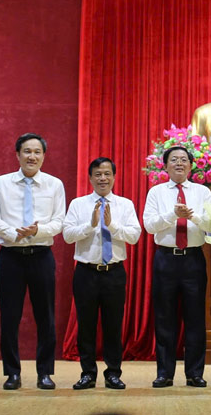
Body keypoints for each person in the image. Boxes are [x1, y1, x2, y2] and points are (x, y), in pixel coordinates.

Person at [0, 133, 66, 390]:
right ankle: (12, 373)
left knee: (46, 317)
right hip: (10, 256)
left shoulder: (54, 185)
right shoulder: (1, 183)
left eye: (37, 152)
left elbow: (59, 222)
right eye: (26, 151)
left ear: (43, 156)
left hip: (41, 256)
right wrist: (13, 233)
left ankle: (45, 373)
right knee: (9, 317)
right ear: (17, 155)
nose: (32, 156)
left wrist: (36, 231)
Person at [63, 157, 142, 390]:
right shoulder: (78, 204)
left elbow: (134, 235)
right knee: (85, 325)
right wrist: (90, 224)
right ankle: (87, 373)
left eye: (107, 174)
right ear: (90, 178)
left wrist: (112, 226)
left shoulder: (125, 205)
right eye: (98, 174)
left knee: (113, 325)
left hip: (114, 272)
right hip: (86, 272)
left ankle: (113, 374)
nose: (103, 178)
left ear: (114, 177)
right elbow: (68, 235)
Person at [142, 146, 211, 387]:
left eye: (184, 160)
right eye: (174, 160)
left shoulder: (202, 191)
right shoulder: (156, 192)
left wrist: (191, 216)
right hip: (166, 259)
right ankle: (165, 373)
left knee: (195, 318)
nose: (179, 164)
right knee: (165, 318)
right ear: (165, 165)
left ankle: (195, 373)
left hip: (193, 259)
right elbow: (150, 226)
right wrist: (173, 215)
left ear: (191, 166)